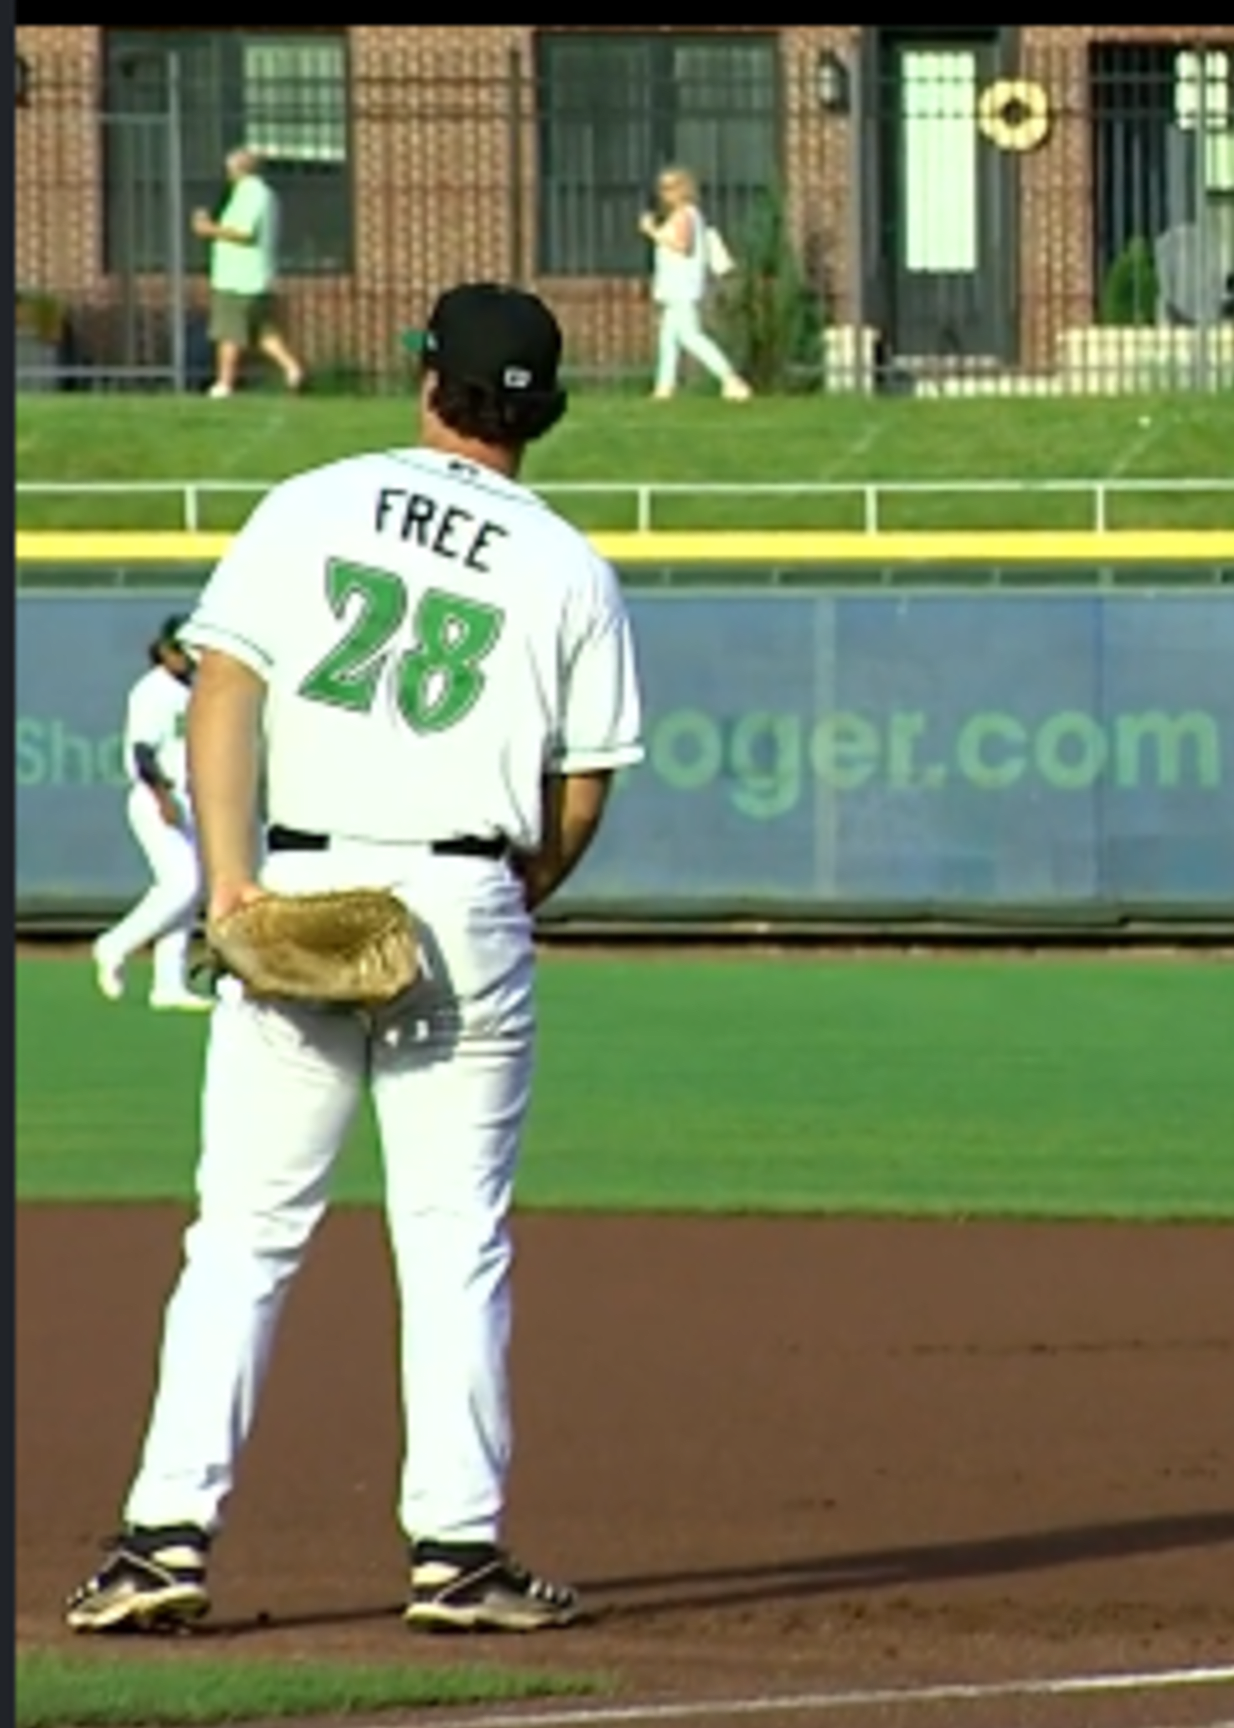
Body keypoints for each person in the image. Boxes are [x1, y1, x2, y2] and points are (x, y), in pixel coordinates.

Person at [64, 281, 647, 1639]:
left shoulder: (316, 500)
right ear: (539, 413)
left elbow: (225, 688)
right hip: (465, 889)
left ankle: (164, 1539)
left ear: (426, 380)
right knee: (452, 1243)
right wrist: (517, 894)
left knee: (244, 1236)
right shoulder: (568, 561)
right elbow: (584, 787)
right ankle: (457, 1552)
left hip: (304, 875)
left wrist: (226, 887)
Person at [89, 617, 217, 1012]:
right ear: (163, 650)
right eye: (179, 649)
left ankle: (168, 984)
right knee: (181, 882)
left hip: (191, 799)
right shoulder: (152, 691)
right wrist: (162, 796)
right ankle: (113, 945)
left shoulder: (195, 687)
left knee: (189, 890)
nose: (187, 657)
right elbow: (143, 751)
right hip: (157, 795)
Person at [191, 147, 305, 398]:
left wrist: (209, 229)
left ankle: (224, 383)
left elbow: (243, 232)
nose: (227, 174)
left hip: (239, 278)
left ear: (239, 169)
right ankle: (292, 369)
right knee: (262, 332)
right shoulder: (262, 194)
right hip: (257, 278)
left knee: (228, 332)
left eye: (230, 169)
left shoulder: (251, 193)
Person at [638, 166, 751, 402]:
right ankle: (664, 387)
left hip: (682, 287)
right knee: (668, 339)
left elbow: (683, 245)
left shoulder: (686, 215)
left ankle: (731, 379)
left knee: (690, 336)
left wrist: (652, 232)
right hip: (673, 287)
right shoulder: (682, 215)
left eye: (670, 187)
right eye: (662, 188)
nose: (664, 193)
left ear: (683, 189)